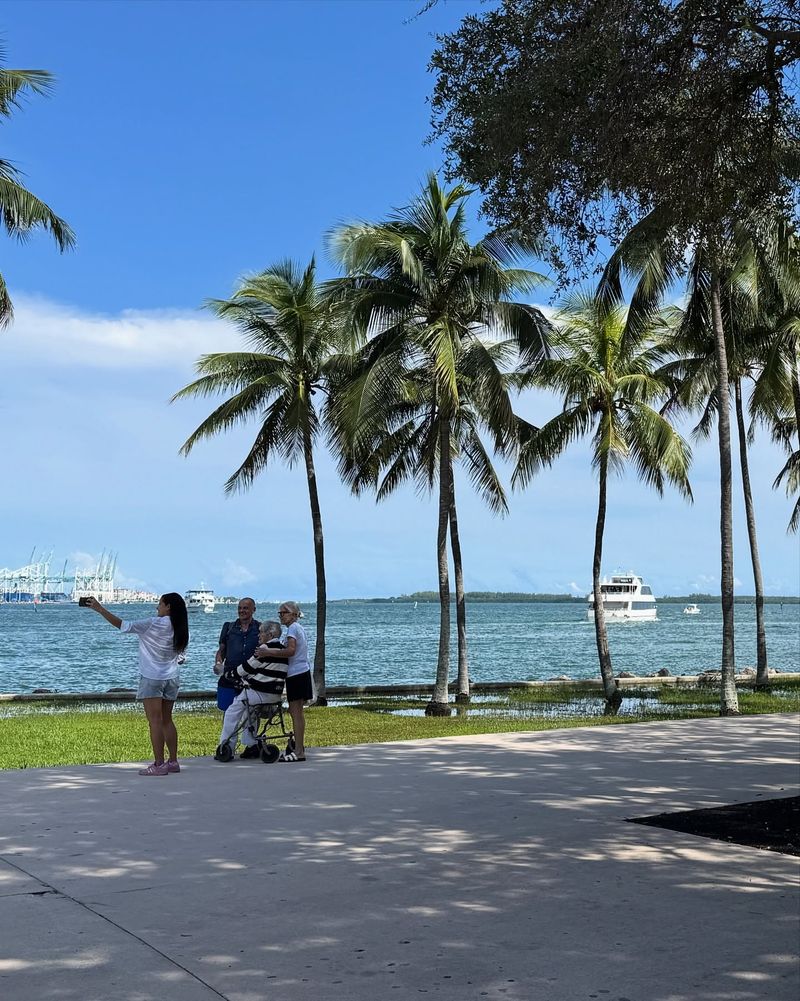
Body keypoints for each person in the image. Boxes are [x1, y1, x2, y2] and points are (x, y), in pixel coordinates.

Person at [86, 593, 189, 776]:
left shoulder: (153, 623)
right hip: (172, 678)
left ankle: (159, 765)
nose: (157, 607)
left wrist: (100, 609)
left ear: (168, 607)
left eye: (160, 604)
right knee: (167, 720)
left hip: (152, 677)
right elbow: (180, 656)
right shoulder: (181, 626)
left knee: (154, 722)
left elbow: (123, 625)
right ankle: (173, 762)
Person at [215, 620, 287, 760]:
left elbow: (246, 667)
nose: (258, 635)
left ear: (270, 635)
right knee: (250, 713)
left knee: (231, 712)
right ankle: (251, 744)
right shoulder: (282, 649)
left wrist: (228, 673)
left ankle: (227, 745)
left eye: (261, 632)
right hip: (275, 694)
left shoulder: (264, 649)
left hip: (259, 693)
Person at [259, 600, 312, 762]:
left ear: (294, 614)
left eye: (284, 612)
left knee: (296, 714)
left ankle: (299, 751)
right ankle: (299, 748)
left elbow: (291, 651)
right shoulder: (297, 628)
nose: (281, 615)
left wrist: (268, 652)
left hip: (297, 674)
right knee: (297, 713)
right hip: (300, 673)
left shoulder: (293, 629)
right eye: (279, 613)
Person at [214, 597, 260, 711]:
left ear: (254, 610)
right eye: (239, 608)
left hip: (252, 678)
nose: (241, 611)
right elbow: (221, 650)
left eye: (245, 608)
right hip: (229, 677)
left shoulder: (260, 628)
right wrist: (218, 663)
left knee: (251, 713)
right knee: (228, 711)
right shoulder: (228, 627)